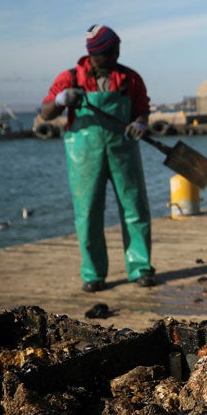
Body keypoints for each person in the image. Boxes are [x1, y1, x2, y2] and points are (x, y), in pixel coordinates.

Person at [40, 24, 157, 292]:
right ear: (94, 53)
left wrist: (140, 123)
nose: (116, 55)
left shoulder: (130, 78)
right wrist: (60, 101)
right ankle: (93, 273)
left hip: (123, 150)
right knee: (88, 213)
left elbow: (142, 109)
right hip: (84, 154)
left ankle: (140, 267)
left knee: (135, 208)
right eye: (110, 52)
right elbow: (45, 113)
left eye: (117, 49)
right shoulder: (70, 78)